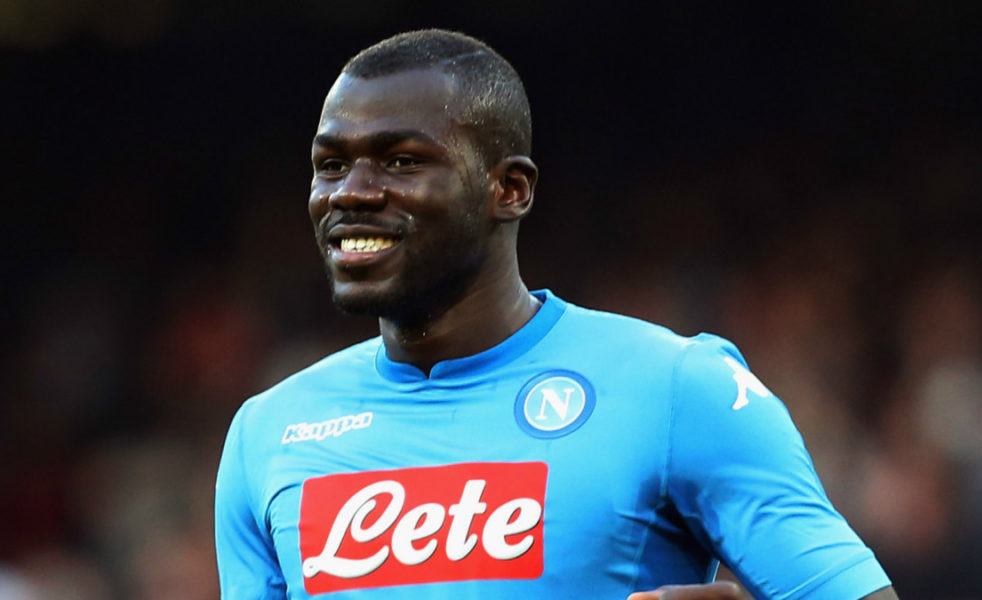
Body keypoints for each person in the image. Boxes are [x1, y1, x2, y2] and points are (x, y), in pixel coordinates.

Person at [214, 29, 898, 600]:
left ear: (509, 189)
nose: (351, 192)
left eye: (400, 161)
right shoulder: (266, 434)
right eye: (332, 165)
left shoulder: (677, 388)